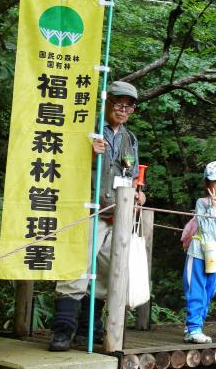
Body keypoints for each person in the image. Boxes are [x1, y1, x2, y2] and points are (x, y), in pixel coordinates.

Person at [49, 81, 146, 351]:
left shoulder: (130, 138)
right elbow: (60, 166)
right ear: (107, 102)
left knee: (107, 269)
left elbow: (133, 174)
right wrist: (89, 157)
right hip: (88, 208)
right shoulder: (86, 129)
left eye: (129, 106)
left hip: (119, 212)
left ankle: (88, 328)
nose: (123, 110)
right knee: (78, 267)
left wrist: (139, 194)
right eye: (118, 103)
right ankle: (62, 329)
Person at [182, 162, 216, 343]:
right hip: (199, 253)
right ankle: (193, 327)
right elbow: (205, 228)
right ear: (208, 184)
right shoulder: (202, 203)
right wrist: (213, 208)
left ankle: (196, 325)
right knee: (196, 289)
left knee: (209, 291)